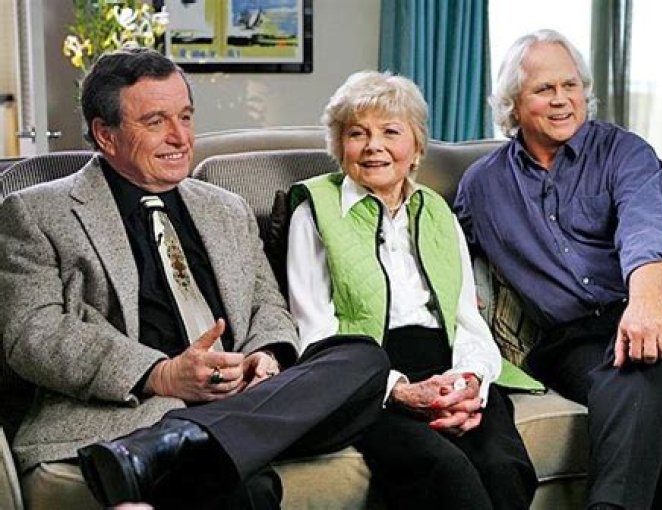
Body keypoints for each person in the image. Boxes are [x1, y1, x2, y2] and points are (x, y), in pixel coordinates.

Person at [0, 48, 391, 509]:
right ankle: (185, 441)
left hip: (241, 396)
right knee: (239, 485)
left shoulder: (226, 208)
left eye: (185, 117)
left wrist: (264, 358)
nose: (180, 137)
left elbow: (267, 305)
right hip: (129, 410)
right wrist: (161, 375)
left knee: (361, 357)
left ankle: (179, 441)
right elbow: (33, 333)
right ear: (106, 134)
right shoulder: (36, 212)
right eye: (156, 121)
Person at [454, 29, 662, 510]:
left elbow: (646, 231)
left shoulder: (624, 152)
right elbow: (442, 253)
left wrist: (646, 304)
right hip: (574, 340)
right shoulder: (482, 186)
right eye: (544, 89)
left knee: (642, 359)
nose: (562, 100)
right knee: (643, 406)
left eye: (570, 85)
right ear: (513, 104)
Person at [286, 70, 537, 510]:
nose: (373, 146)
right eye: (357, 133)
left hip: (448, 365)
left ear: (417, 146)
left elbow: (466, 319)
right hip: (365, 379)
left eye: (390, 132)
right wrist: (396, 389)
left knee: (504, 467)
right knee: (444, 470)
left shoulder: (437, 211)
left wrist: (469, 382)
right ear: (339, 146)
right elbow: (314, 334)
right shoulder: (314, 212)